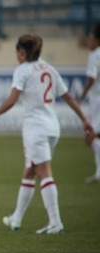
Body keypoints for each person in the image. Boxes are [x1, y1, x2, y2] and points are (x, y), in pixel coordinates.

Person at [0, 34, 94, 234]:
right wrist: (85, 119)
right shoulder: (47, 68)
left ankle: (55, 222)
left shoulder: (22, 70)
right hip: (52, 127)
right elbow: (67, 96)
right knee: (30, 170)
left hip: (36, 129)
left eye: (17, 52)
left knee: (43, 171)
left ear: (22, 52)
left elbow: (12, 99)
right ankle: (16, 218)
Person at [77, 23, 100, 183]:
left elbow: (91, 77)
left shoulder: (95, 55)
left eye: (91, 38)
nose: (89, 42)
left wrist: (81, 96)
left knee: (92, 135)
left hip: (97, 100)